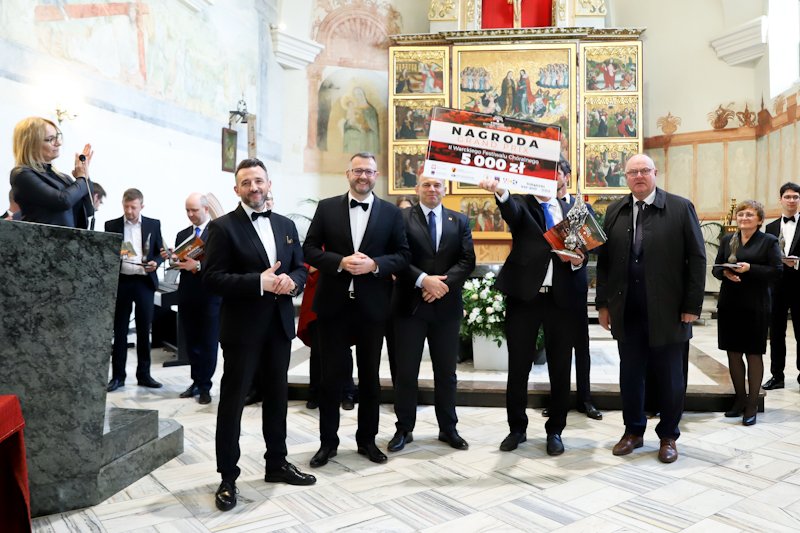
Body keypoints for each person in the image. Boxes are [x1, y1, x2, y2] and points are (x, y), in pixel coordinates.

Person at [203, 158, 315, 512]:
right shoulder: (222, 228)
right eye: (247, 182)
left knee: (278, 399)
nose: (254, 187)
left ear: (269, 184)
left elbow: (300, 268)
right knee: (233, 402)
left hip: (278, 328)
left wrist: (292, 281)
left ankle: (276, 463)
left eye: (259, 181)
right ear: (236, 189)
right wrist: (259, 282)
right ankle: (228, 476)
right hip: (242, 330)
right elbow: (211, 278)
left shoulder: (285, 225)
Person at [596, 154, 706, 464]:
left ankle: (668, 435)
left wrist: (692, 305)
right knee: (630, 375)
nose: (639, 176)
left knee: (671, 377)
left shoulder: (680, 208)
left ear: (655, 173)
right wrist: (603, 304)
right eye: (633, 172)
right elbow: (604, 262)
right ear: (626, 177)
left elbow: (697, 258)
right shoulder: (615, 210)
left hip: (669, 310)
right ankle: (633, 431)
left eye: (644, 170)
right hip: (627, 308)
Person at [303, 152, 410, 468]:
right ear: (348, 173)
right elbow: (309, 249)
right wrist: (339, 262)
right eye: (358, 170)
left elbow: (403, 255)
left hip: (373, 307)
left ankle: (367, 441)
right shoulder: (326, 207)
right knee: (330, 379)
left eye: (369, 171)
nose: (363, 176)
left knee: (370, 378)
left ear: (376, 176)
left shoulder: (391, 213)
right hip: (333, 306)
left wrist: (375, 265)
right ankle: (328, 443)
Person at [477, 170, 588, 457]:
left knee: (560, 368)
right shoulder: (522, 204)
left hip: (562, 300)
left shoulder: (574, 209)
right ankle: (517, 428)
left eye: (552, 175)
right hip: (525, 299)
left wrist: (577, 260)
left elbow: (587, 250)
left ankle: (555, 430)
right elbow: (511, 212)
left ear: (559, 180)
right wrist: (500, 192)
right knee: (518, 367)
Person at [388, 176, 475, 452]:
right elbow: (396, 256)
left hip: (446, 308)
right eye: (426, 184)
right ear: (417, 189)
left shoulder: (459, 220)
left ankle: (448, 428)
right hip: (409, 306)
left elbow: (467, 260)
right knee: (406, 371)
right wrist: (423, 280)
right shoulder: (400, 218)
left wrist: (441, 286)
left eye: (437, 185)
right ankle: (404, 428)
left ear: (444, 189)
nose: (432, 189)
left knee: (446, 372)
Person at [712, 200, 782, 425]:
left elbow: (777, 271)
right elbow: (716, 268)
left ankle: (752, 404)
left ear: (760, 220)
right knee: (733, 353)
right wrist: (725, 273)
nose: (744, 218)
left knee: (753, 354)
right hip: (730, 303)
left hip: (755, 304)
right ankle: (740, 399)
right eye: (741, 214)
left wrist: (750, 268)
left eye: (749, 215)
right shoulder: (727, 239)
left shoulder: (768, 241)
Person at [554, 160, 602, 420]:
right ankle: (557, 400)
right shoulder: (542, 207)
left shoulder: (582, 207)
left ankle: (586, 399)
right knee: (556, 347)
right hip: (549, 286)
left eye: (557, 172)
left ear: (567, 176)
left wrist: (579, 256)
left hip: (574, 283)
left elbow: (595, 244)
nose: (553, 177)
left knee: (580, 345)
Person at [164, 193, 221, 405]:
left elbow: (221, 264)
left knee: (208, 342)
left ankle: (205, 386)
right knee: (192, 341)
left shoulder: (218, 232)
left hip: (210, 295)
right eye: (187, 210)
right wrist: (172, 257)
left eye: (194, 210)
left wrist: (197, 266)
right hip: (187, 294)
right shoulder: (183, 234)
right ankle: (196, 381)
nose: (190, 214)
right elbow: (180, 263)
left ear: (206, 209)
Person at [106, 188, 164, 392]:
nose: (129, 211)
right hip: (122, 282)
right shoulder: (111, 225)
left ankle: (144, 375)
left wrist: (156, 263)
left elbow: (160, 252)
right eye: (126, 206)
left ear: (142, 206)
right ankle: (118, 377)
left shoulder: (153, 224)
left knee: (143, 330)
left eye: (133, 207)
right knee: (120, 330)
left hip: (143, 282)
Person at [9, 116, 94, 228]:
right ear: (31, 144)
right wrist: (81, 178)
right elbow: (62, 201)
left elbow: (88, 209)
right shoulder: (21, 174)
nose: (58, 143)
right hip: (41, 238)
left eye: (57, 137)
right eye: (50, 139)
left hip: (68, 238)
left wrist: (85, 174)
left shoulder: (63, 177)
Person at [763, 182, 800, 390]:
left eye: (795, 197)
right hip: (776, 287)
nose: (791, 200)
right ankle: (777, 376)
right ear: (781, 199)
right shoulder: (770, 228)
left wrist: (798, 263)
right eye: (788, 197)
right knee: (776, 333)